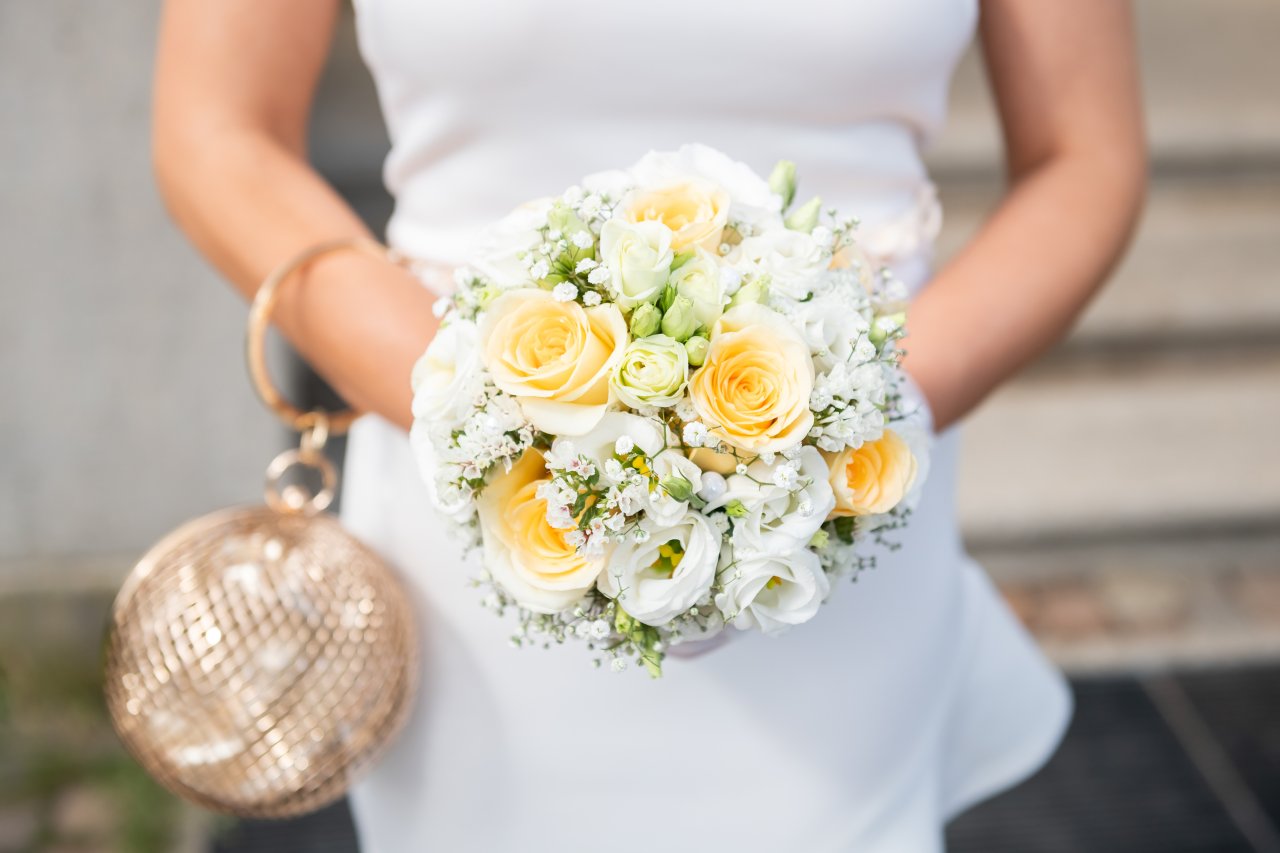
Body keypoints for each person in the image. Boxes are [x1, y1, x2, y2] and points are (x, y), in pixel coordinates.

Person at [152, 1, 1145, 850]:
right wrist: (476, 412)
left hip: (837, 528)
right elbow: (216, 126)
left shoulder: (842, 439)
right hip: (481, 518)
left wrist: (840, 419)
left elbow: (1082, 153)